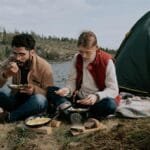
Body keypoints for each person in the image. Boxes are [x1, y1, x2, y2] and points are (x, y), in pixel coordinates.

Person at [47, 31, 119, 120]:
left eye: (88, 52)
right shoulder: (77, 58)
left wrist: (96, 96)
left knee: (110, 104)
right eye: (81, 51)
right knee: (51, 90)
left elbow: (113, 89)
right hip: (79, 99)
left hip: (96, 102)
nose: (84, 56)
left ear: (96, 47)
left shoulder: (107, 61)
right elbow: (72, 81)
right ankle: (73, 111)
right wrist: (67, 90)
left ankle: (74, 113)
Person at [0, 33, 53, 122]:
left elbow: (50, 94)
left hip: (33, 103)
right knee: (2, 93)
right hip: (16, 100)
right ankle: (17, 114)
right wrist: (6, 75)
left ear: (32, 52)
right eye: (15, 53)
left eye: (22, 54)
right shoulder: (11, 60)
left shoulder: (44, 66)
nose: (18, 58)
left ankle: (9, 117)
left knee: (40, 100)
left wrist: (34, 90)